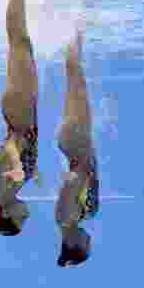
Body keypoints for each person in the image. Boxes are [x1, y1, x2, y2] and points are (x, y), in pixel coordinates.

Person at [0, 0, 39, 237]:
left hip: (19, 114)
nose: (26, 217)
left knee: (18, 41)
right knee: (22, 43)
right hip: (23, 112)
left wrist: (17, 162)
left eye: (21, 221)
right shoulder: (12, 187)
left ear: (5, 214)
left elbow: (11, 144)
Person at [55, 31, 99, 266]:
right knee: (75, 76)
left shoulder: (65, 218)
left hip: (75, 143)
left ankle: (72, 26)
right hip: (77, 143)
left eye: (87, 246)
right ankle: (74, 29)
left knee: (75, 76)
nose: (90, 241)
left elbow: (71, 180)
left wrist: (83, 166)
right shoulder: (74, 219)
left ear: (75, 245)